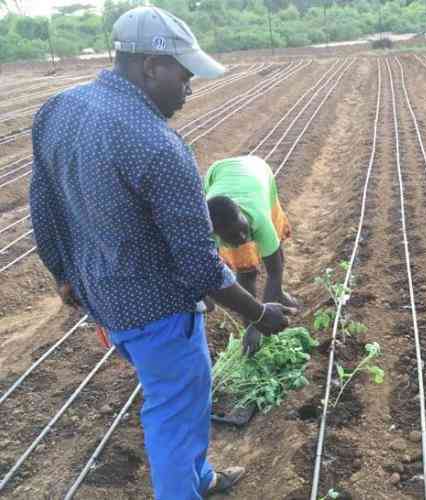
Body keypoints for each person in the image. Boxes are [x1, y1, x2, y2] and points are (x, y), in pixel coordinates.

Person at [29, 7, 292, 499]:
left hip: (104, 300)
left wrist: (63, 275)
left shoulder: (59, 109)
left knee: (183, 399)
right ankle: (183, 486)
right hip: (158, 311)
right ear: (151, 66)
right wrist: (259, 313)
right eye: (184, 74)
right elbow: (199, 265)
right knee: (173, 412)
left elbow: (43, 205)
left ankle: (200, 477)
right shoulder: (158, 146)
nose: (190, 88)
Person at [205, 155, 299, 308]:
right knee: (245, 270)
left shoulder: (259, 219)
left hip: (259, 170)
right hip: (218, 171)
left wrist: (268, 312)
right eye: (232, 236)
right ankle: (249, 322)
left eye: (243, 229)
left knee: (274, 242)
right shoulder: (205, 232)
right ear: (217, 235)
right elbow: (204, 267)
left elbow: (275, 272)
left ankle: (279, 294)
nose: (243, 237)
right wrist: (258, 319)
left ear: (241, 213)